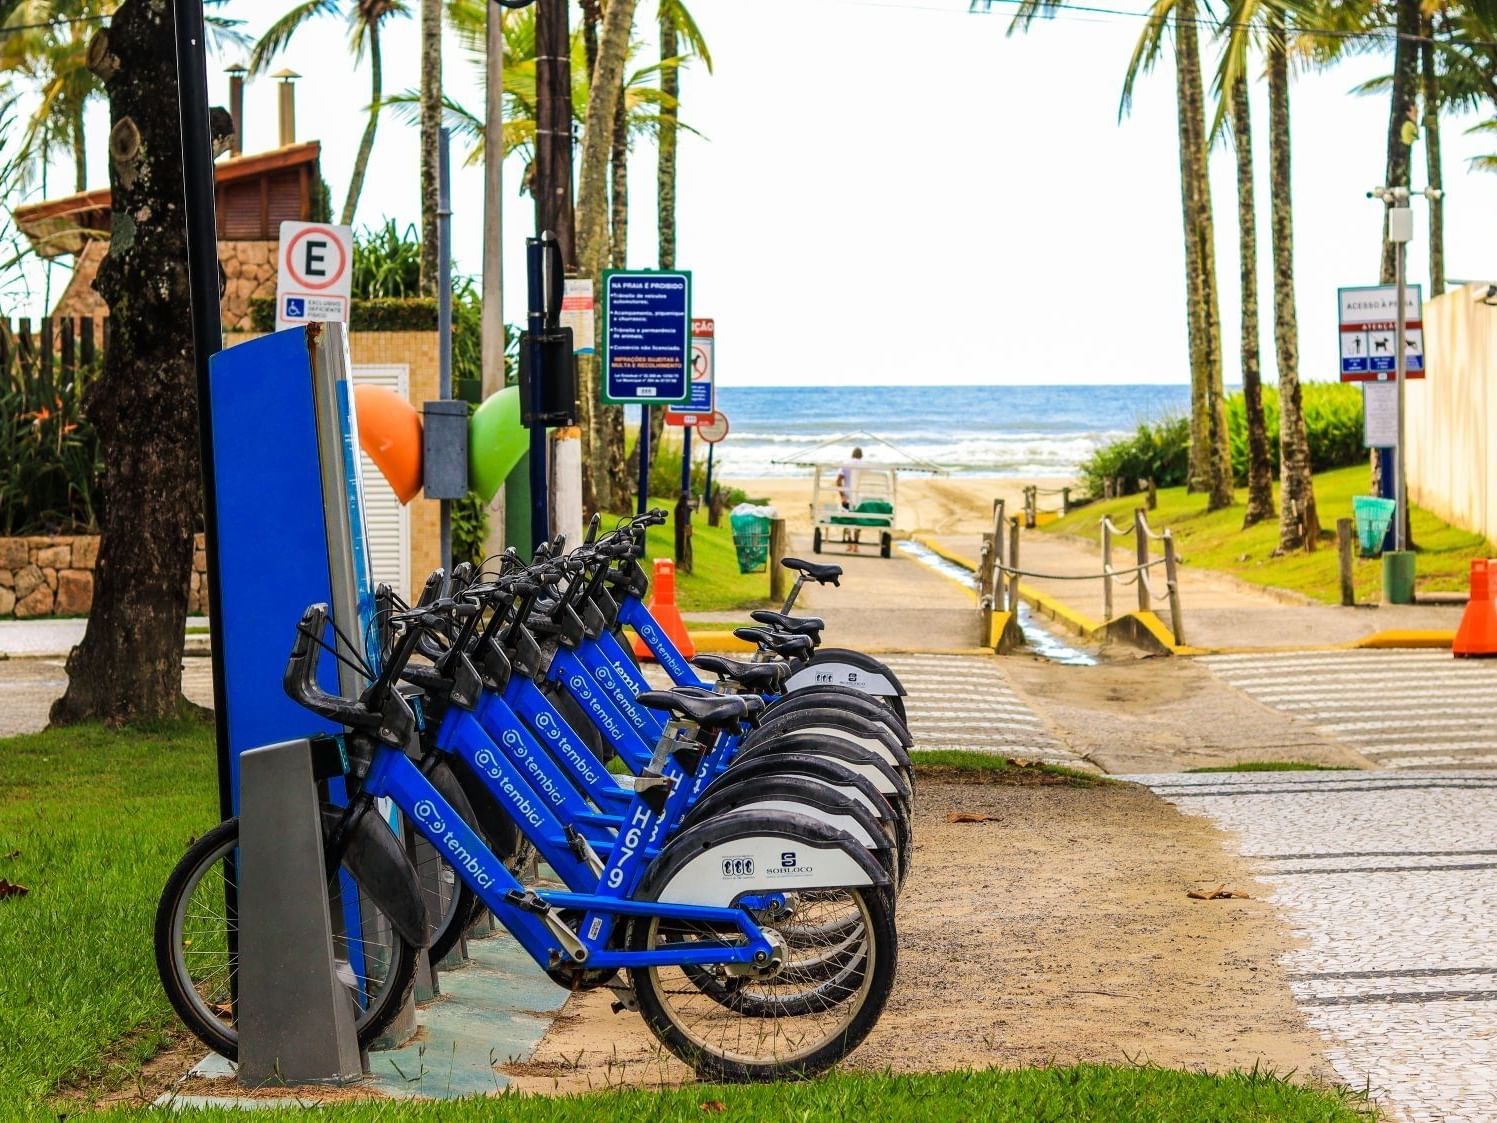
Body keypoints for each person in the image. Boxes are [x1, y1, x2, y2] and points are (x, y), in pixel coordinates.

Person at [836, 448, 864, 549]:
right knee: (858, 519)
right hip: (861, 498)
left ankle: (849, 543)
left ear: (852, 455)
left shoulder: (846, 463)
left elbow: (838, 480)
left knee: (847, 519)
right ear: (861, 456)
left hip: (847, 497)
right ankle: (856, 544)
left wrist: (842, 495)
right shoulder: (864, 464)